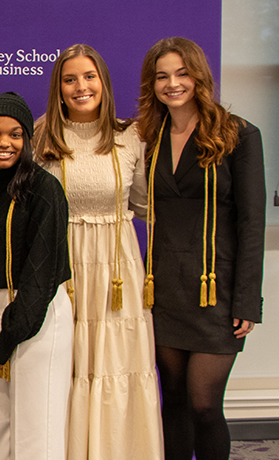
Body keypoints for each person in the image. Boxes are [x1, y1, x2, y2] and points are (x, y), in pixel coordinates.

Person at [136, 37, 265, 460]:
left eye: (182, 73)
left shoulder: (239, 134)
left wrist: (247, 300)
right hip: (165, 290)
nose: (173, 84)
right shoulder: (148, 138)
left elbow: (251, 223)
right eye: (162, 76)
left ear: (199, 76)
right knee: (172, 399)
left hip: (217, 291)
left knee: (205, 405)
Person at [33, 44, 162, 459]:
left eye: (89, 77)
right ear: (58, 87)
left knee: (117, 366)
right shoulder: (40, 135)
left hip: (116, 274)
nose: (80, 86)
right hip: (62, 269)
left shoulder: (132, 135)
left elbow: (145, 204)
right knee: (66, 368)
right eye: (70, 79)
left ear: (103, 82)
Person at [0, 91, 73, 460]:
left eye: (14, 133)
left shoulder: (45, 190)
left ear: (27, 139)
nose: (3, 143)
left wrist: (5, 341)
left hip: (36, 316)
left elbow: (40, 278)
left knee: (36, 434)